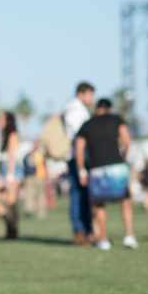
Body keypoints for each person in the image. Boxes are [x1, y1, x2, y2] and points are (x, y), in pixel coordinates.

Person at [75, 99, 138, 251]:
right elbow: (127, 140)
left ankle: (103, 240)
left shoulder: (87, 124)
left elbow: (78, 150)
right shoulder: (116, 119)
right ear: (109, 109)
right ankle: (129, 235)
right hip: (117, 166)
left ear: (96, 109)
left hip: (96, 169)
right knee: (125, 202)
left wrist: (82, 171)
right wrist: (123, 157)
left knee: (99, 205)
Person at [64, 82, 95, 246]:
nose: (92, 98)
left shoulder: (78, 110)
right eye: (90, 95)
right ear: (80, 94)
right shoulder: (75, 111)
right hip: (78, 158)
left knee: (84, 196)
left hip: (81, 157)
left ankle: (87, 230)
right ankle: (80, 231)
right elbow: (80, 137)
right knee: (78, 195)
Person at [0, 111, 23, 239]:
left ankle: (13, 230)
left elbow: (12, 157)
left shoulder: (13, 135)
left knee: (10, 200)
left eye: (1, 119)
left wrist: (10, 176)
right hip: (2, 168)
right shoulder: (2, 135)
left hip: (11, 169)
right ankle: (9, 224)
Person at [22, 140, 48, 219]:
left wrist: (46, 176)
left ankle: (41, 213)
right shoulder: (29, 155)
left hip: (40, 177)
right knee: (30, 194)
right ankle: (28, 210)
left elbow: (44, 165)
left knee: (41, 195)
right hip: (31, 177)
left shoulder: (41, 154)